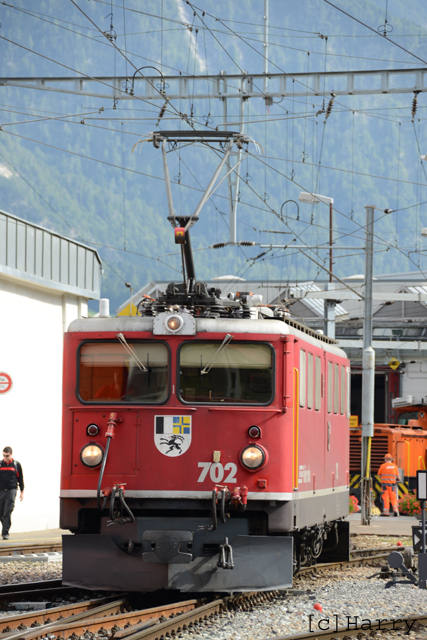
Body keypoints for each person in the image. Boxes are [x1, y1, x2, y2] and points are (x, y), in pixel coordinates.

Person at [0, 447, 24, 539]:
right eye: (4, 455)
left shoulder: (16, 464)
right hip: (1, 490)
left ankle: (5, 532)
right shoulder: (0, 464)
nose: (5, 457)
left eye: (7, 455)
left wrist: (22, 491)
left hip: (11, 490)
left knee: (7, 511)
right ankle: (5, 526)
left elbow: (21, 478)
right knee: (1, 513)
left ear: (11, 454)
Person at [378, 453, 399, 517]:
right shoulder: (395, 466)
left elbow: (379, 474)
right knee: (393, 498)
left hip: (385, 485)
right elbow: (398, 476)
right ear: (391, 459)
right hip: (392, 485)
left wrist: (383, 479)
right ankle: (395, 511)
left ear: (386, 459)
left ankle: (386, 512)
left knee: (385, 498)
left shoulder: (382, 466)